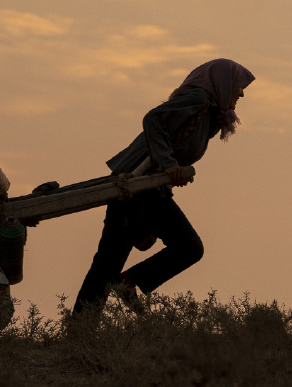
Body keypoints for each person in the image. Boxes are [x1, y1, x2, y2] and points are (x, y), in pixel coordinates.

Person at [72, 58, 256, 319]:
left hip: (154, 191)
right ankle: (80, 330)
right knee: (108, 262)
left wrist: (169, 173)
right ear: (223, 83)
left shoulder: (212, 115)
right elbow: (153, 120)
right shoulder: (198, 99)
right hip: (134, 186)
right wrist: (169, 164)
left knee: (189, 248)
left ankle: (129, 282)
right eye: (239, 85)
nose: (242, 93)